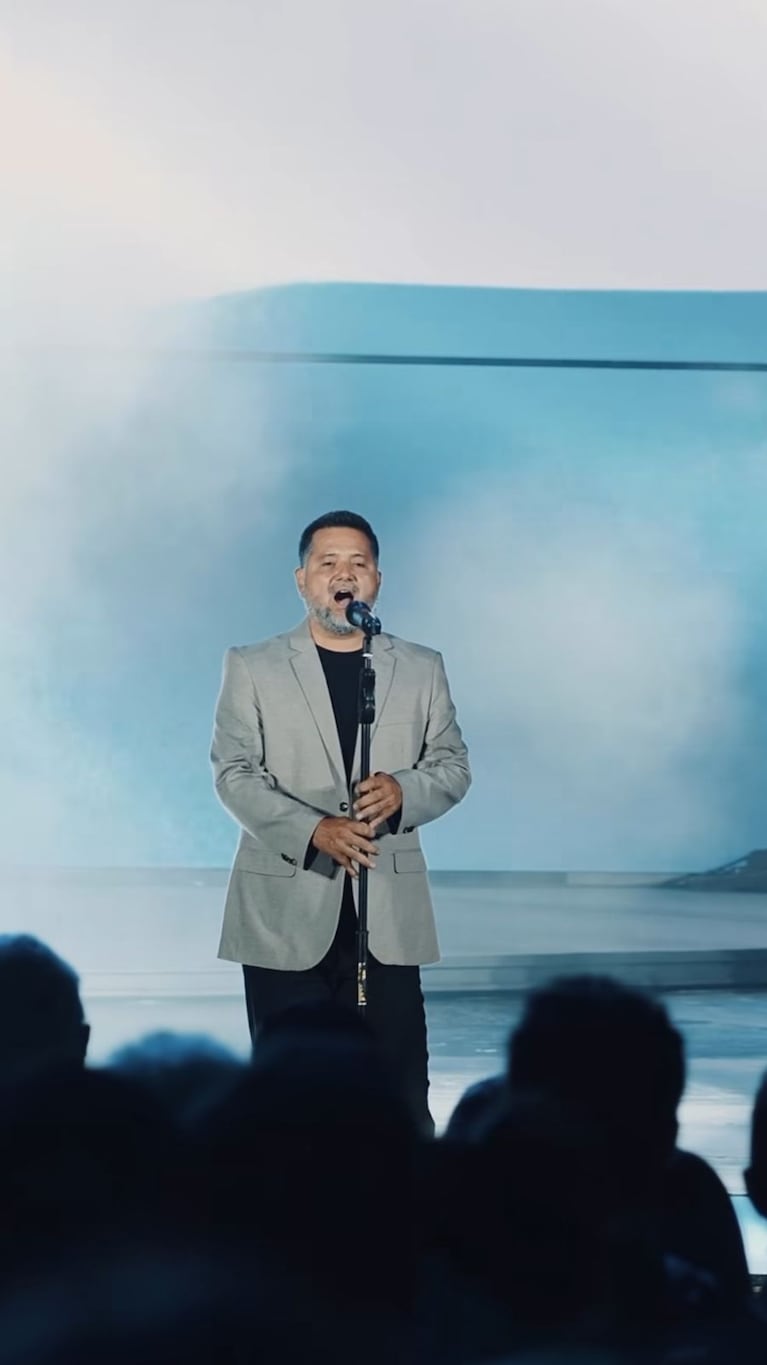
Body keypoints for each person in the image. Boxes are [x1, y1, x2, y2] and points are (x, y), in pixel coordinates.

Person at [210, 509, 470, 1133]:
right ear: (302, 580)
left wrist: (404, 792)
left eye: (357, 563)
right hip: (283, 914)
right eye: (328, 563)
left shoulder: (421, 666)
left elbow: (452, 765)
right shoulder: (253, 665)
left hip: (387, 911)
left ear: (377, 580)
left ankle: (403, 1223)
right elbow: (234, 774)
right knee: (285, 1100)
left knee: (400, 1093)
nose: (343, 574)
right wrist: (312, 830)